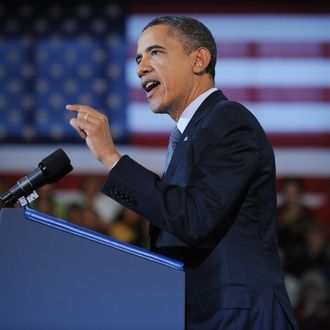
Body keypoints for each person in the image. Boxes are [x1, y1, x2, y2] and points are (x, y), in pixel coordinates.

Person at [67, 16, 298, 330]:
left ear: (199, 60)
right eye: (138, 58)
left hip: (238, 315)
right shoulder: (188, 135)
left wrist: (111, 157)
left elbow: (194, 219)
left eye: (155, 53)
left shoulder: (229, 120)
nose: (140, 68)